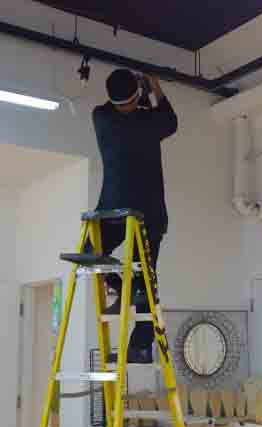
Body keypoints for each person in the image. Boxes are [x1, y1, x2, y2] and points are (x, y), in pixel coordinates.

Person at [92, 68, 178, 363]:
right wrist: (154, 87)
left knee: (92, 253)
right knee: (144, 279)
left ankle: (126, 295)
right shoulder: (148, 122)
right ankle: (139, 339)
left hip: (114, 210)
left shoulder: (101, 118)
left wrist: (140, 95)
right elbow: (171, 121)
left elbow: (121, 111)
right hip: (147, 213)